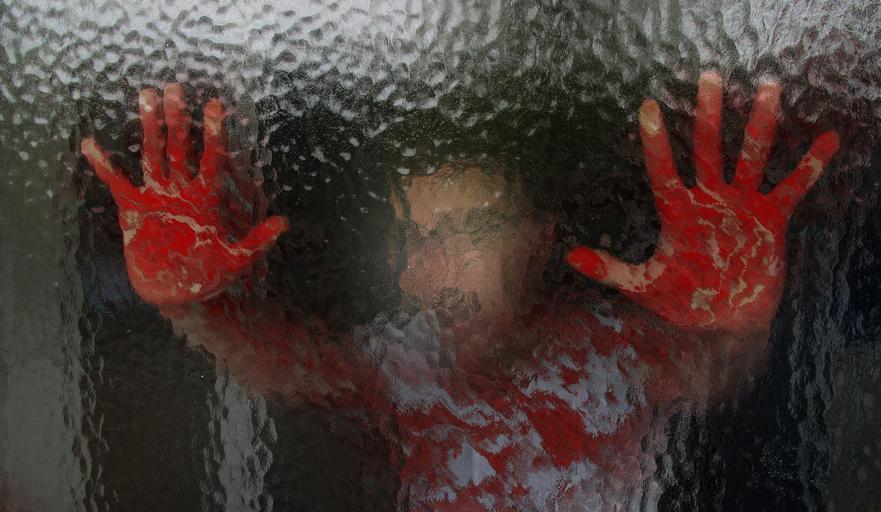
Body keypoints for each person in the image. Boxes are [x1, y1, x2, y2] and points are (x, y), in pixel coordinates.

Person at [80, 72, 839, 510]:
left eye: (471, 228)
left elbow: (714, 375)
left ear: (537, 238)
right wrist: (193, 306)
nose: (433, 267)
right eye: (415, 239)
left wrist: (730, 323)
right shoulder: (400, 363)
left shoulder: (609, 348)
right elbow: (278, 365)